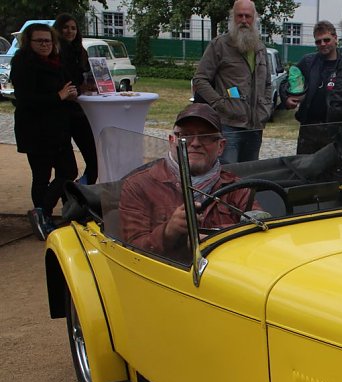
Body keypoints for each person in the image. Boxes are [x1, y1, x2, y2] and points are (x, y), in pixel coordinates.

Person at [120, 104, 258, 260]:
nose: (195, 143)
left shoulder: (236, 187)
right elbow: (131, 252)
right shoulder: (138, 185)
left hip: (223, 273)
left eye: (205, 136)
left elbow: (260, 226)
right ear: (172, 141)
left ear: (221, 146)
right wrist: (168, 231)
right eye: (186, 136)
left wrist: (212, 235)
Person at [11, 23, 78, 240]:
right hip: (35, 129)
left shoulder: (56, 62)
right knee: (41, 176)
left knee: (68, 171)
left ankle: (41, 212)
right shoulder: (23, 63)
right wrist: (58, 96)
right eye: (39, 41)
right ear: (28, 43)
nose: (45, 44)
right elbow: (24, 99)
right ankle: (43, 216)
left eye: (48, 40)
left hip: (58, 128)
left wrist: (71, 93)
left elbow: (66, 86)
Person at [193, 0, 271, 164]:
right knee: (228, 175)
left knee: (249, 174)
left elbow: (268, 84)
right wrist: (219, 103)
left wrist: (266, 108)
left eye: (247, 16)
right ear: (232, 17)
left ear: (254, 18)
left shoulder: (261, 49)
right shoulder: (219, 45)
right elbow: (200, 80)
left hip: (255, 126)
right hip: (229, 125)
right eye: (239, 16)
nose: (243, 20)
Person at [54, 14, 98, 185]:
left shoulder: (80, 51)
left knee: (94, 160)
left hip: (80, 111)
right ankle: (69, 200)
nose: (69, 31)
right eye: (65, 27)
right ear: (58, 29)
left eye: (73, 28)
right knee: (66, 168)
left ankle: (80, 193)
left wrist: (92, 85)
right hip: (61, 114)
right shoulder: (55, 52)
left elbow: (86, 77)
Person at [287, 20, 339, 154]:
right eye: (318, 41)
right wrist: (288, 97)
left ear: (335, 38)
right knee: (304, 170)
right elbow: (288, 81)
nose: (322, 44)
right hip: (309, 128)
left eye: (326, 40)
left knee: (331, 173)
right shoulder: (308, 61)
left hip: (334, 129)